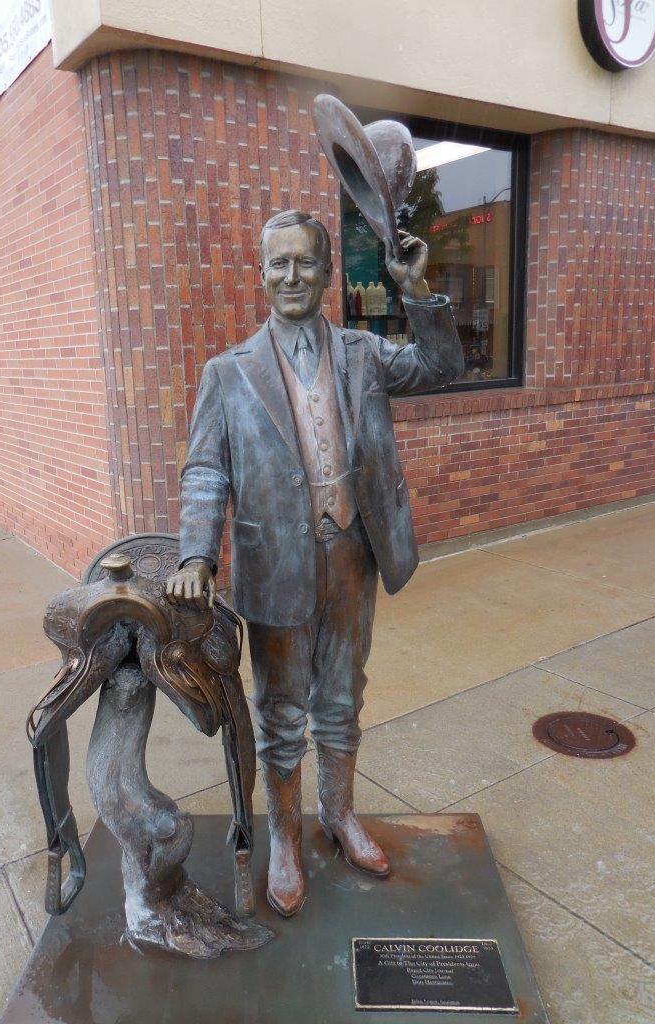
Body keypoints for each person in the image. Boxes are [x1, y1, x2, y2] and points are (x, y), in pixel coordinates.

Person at [166, 210, 464, 917]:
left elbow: (442, 367)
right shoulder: (227, 373)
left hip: (352, 556)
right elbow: (206, 472)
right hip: (275, 567)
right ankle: (288, 839)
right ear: (262, 273)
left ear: (330, 273)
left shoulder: (364, 352)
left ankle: (341, 814)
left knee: (341, 698)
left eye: (305, 262)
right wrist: (196, 555)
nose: (292, 276)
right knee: (279, 712)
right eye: (278, 263)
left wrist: (416, 290)